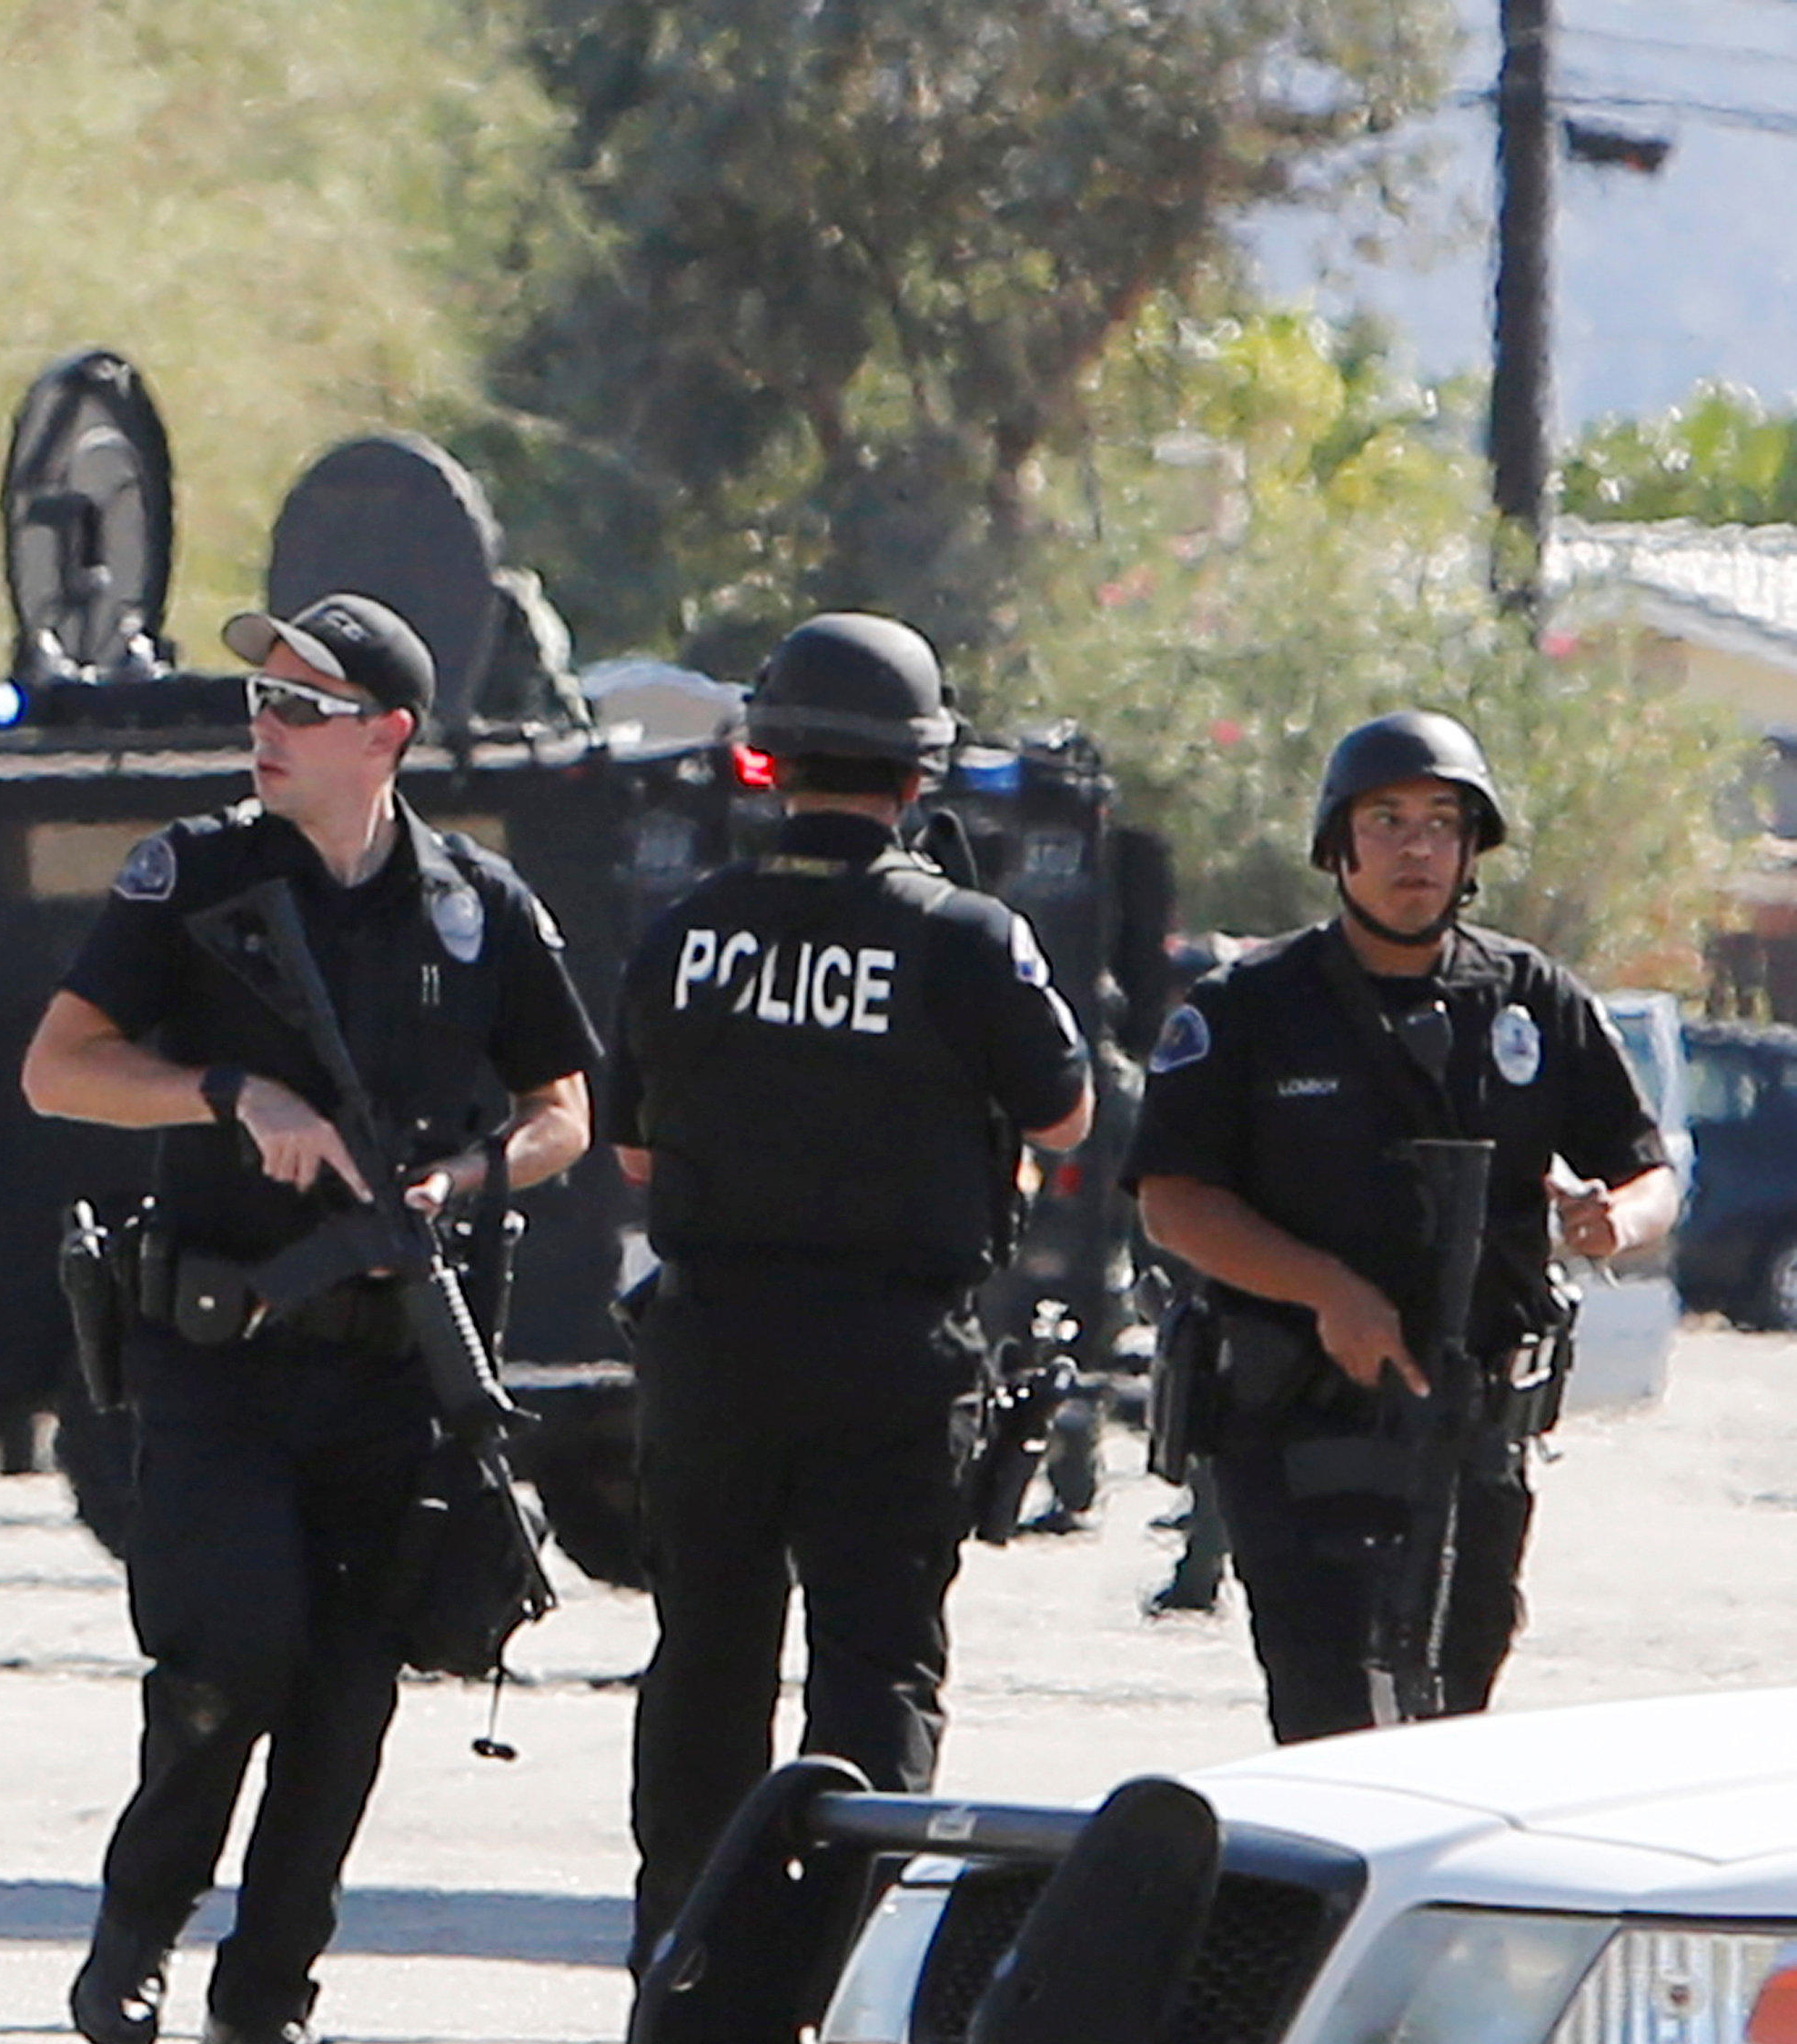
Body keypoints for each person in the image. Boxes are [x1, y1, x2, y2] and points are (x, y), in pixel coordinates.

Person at [22, 590, 597, 2044]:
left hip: (392, 1353)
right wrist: (231, 1095)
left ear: (387, 735)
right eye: (261, 698)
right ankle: (138, 1922)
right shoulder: (193, 877)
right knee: (233, 1646)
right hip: (220, 1342)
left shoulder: (476, 906)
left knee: (351, 1687)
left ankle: (263, 2001)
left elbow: (565, 1110)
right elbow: (59, 1068)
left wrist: (464, 1176)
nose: (264, 725)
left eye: (302, 706)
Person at [605, 611, 1092, 1967]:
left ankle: (684, 1953)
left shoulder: (684, 934)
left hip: (710, 1346)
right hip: (888, 1349)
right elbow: (1064, 1121)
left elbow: (635, 1144)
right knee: (876, 1666)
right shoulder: (967, 940)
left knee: (706, 1653)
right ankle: (837, 1958)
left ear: (767, 759)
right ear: (918, 778)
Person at [1126, 711, 1677, 1742]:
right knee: (1327, 1708)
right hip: (1302, 1421)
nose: (1414, 847)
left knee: (1453, 1711)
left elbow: (1644, 1170)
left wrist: (1611, 1222)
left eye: (1439, 822)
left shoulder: (1527, 998)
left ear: (1470, 849)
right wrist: (1324, 1290)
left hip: (1471, 1429)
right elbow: (1174, 1201)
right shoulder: (1250, 1005)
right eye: (1385, 820)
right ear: (1338, 843)